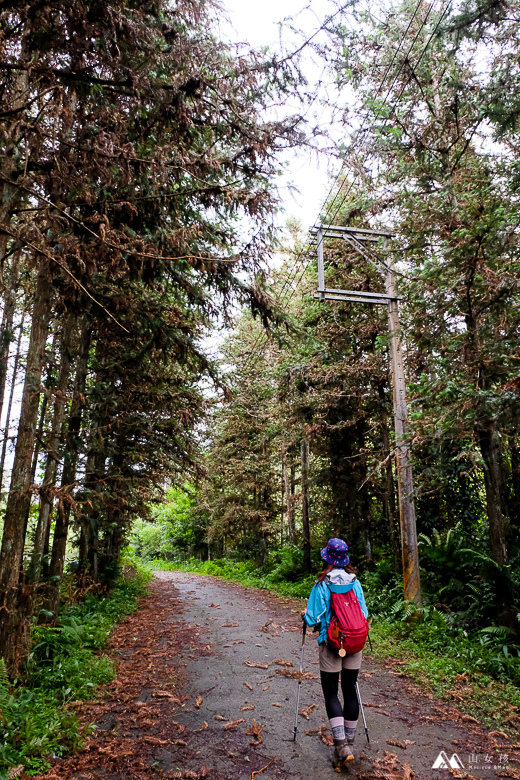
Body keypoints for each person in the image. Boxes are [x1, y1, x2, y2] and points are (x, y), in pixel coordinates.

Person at [302, 537, 368, 768]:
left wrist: (305, 617)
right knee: (350, 691)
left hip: (332, 644)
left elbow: (313, 618)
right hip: (355, 642)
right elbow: (364, 613)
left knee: (331, 694)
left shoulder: (322, 583)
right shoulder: (355, 582)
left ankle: (341, 747)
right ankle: (350, 743)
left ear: (327, 558)